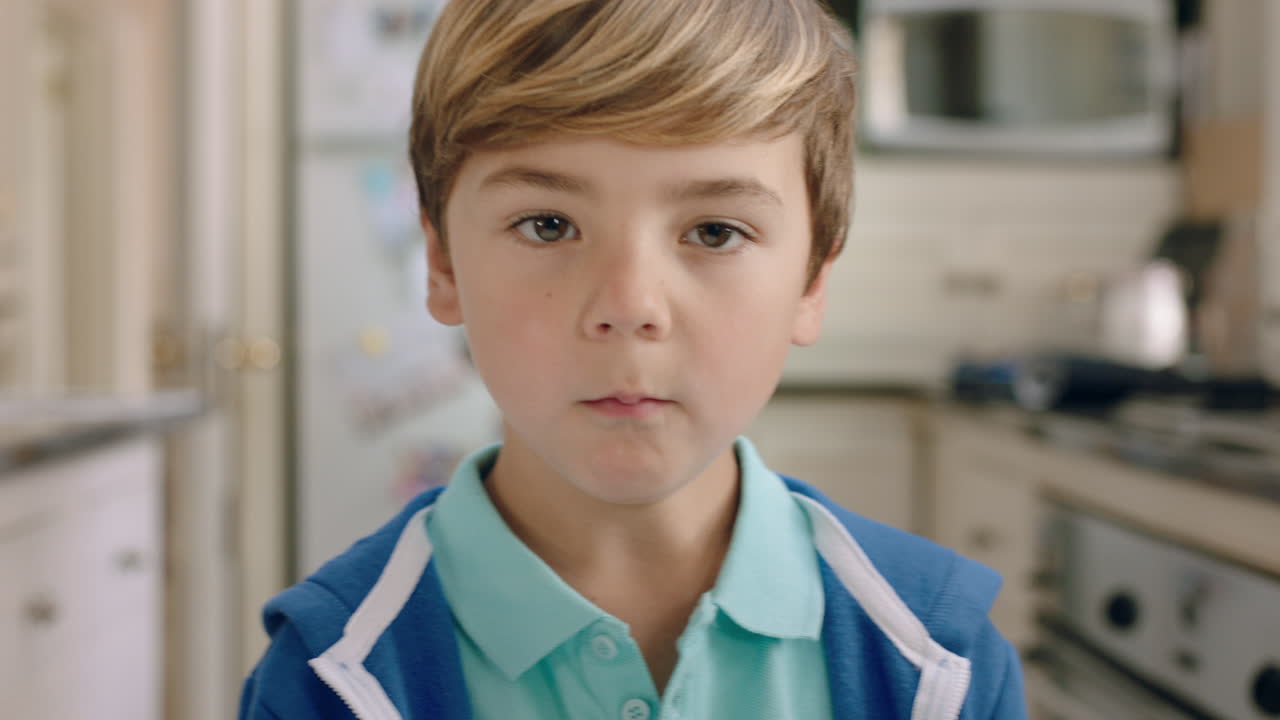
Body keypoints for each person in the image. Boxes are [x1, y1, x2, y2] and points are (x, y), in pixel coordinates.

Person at [239, 0, 1028, 717]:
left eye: (714, 232)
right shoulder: (329, 677)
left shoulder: (937, 665)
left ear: (813, 279)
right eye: (548, 225)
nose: (629, 307)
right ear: (441, 265)